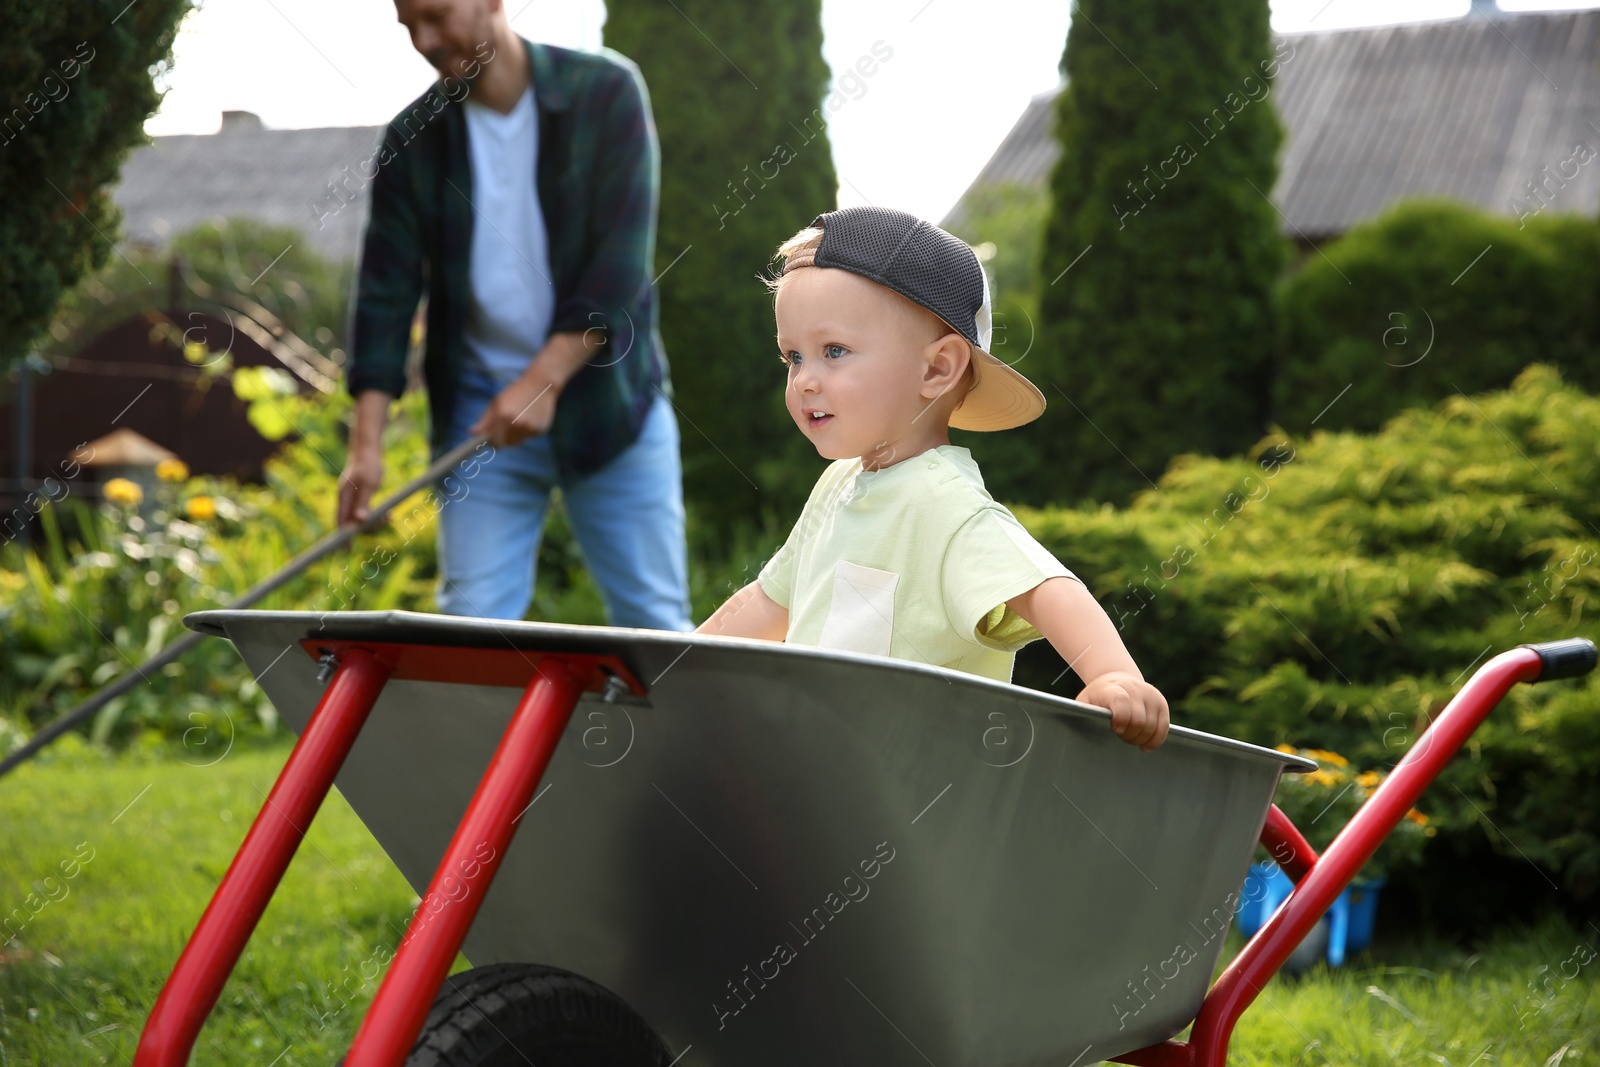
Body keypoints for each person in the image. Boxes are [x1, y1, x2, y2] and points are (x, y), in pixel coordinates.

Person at [696, 206, 1170, 750]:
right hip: (822, 777)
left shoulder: (944, 503)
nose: (804, 380)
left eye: (834, 352)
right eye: (793, 357)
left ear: (936, 369)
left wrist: (1115, 678)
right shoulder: (838, 486)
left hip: (913, 796)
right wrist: (673, 666)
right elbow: (769, 601)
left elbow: (1047, 588)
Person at [337, 0, 693, 631]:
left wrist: (543, 381)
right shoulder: (411, 142)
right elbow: (385, 295)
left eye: (437, 16)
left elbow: (619, 268)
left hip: (610, 406)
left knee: (655, 625)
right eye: (408, 26)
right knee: (469, 632)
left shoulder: (606, 93)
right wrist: (366, 447)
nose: (424, 39)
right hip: (482, 415)